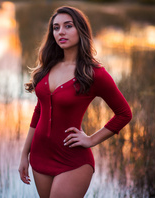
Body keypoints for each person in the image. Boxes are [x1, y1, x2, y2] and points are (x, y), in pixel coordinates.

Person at [18, 6, 132, 198]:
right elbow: (39, 111)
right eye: (56, 27)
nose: (60, 32)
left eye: (68, 26)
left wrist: (91, 139)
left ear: (81, 30)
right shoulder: (48, 67)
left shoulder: (94, 74)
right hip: (39, 156)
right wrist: (24, 154)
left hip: (72, 161)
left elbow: (124, 113)